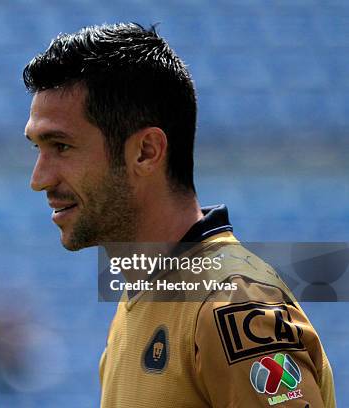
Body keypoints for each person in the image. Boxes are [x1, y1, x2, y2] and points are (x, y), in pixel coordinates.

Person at [22, 23, 336, 407]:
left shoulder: (232, 307)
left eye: (61, 146)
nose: (39, 179)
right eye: (37, 147)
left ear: (146, 152)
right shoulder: (141, 298)